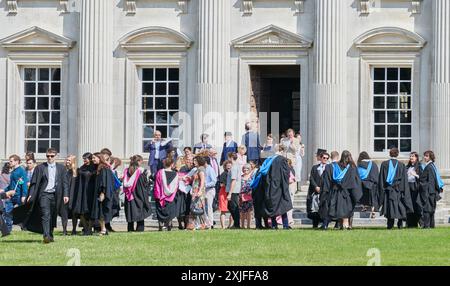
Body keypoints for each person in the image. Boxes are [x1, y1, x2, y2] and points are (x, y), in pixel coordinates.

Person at [24, 148, 69, 243]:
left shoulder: (61, 168)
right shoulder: (40, 168)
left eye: (52, 156)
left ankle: (50, 234)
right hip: (44, 194)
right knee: (46, 215)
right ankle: (46, 236)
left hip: (56, 194)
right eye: (48, 156)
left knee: (53, 215)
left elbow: (65, 183)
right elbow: (34, 183)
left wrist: (66, 194)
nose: (49, 158)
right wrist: (31, 194)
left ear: (56, 156)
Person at [320, 150, 362, 230]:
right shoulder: (352, 168)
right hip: (347, 194)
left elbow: (326, 182)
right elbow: (355, 182)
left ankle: (329, 225)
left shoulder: (332, 167)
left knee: (335, 209)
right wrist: (356, 195)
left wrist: (325, 193)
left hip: (335, 192)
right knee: (346, 211)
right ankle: (345, 226)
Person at [251, 152, 293, 230]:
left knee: (272, 208)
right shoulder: (281, 161)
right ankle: (285, 225)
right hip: (279, 189)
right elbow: (286, 174)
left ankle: (274, 225)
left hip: (270, 190)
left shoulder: (264, 168)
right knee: (282, 209)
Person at [378, 148, 414, 229]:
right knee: (399, 206)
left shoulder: (384, 164)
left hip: (389, 190)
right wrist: (404, 191)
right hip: (398, 190)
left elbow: (381, 179)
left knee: (390, 207)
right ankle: (400, 223)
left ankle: (390, 224)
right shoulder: (401, 165)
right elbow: (404, 180)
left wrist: (382, 190)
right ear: (397, 154)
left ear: (390, 154)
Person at [123, 155, 152, 232]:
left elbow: (126, 184)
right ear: (138, 162)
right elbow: (144, 185)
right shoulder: (141, 172)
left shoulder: (126, 171)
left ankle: (130, 229)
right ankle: (140, 228)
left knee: (130, 211)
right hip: (139, 195)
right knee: (140, 211)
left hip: (129, 195)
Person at [71, 152, 96, 235]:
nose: (84, 160)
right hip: (82, 192)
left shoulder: (94, 168)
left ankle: (89, 229)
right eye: (83, 158)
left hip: (90, 192)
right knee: (81, 211)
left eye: (86, 158)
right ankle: (86, 229)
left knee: (90, 211)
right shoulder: (82, 168)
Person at [418, 151, 444, 229]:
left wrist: (426, 190)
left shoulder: (429, 167)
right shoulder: (432, 166)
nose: (424, 157)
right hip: (431, 191)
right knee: (431, 209)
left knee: (427, 209)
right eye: (424, 156)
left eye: (426, 156)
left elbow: (430, 181)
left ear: (430, 157)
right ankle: (431, 225)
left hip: (429, 192)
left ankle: (427, 226)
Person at [91, 152, 115, 236]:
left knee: (101, 211)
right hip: (99, 192)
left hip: (102, 193)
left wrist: (103, 192)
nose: (93, 159)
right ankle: (103, 229)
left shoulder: (103, 168)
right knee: (100, 211)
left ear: (99, 158)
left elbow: (104, 182)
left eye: (94, 158)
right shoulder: (99, 167)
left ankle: (104, 229)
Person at [3, 155, 28, 234]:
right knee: (7, 212)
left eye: (11, 161)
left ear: (17, 161)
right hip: (12, 195)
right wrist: (4, 190)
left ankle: (24, 227)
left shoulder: (21, 171)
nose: (9, 162)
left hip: (19, 196)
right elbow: (11, 185)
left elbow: (24, 184)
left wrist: (24, 195)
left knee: (20, 213)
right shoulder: (13, 171)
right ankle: (8, 230)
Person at [154, 158, 179, 231]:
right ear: (172, 164)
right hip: (171, 197)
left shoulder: (159, 172)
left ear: (164, 164)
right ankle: (169, 225)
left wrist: (158, 195)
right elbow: (176, 186)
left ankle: (160, 225)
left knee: (160, 211)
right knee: (170, 211)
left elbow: (157, 184)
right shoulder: (175, 174)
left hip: (160, 195)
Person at [187, 156, 210, 230]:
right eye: (194, 161)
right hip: (195, 190)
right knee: (195, 207)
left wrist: (200, 191)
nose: (194, 162)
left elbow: (202, 180)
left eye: (196, 161)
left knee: (198, 207)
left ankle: (202, 224)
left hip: (198, 191)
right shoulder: (197, 169)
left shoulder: (201, 169)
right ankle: (196, 224)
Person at [307, 149, 327, 228]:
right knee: (315, 208)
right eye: (324, 158)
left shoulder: (329, 167)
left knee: (323, 208)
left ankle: (324, 223)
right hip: (315, 191)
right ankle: (315, 224)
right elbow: (311, 178)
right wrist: (316, 187)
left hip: (324, 191)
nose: (325, 159)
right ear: (321, 158)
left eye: (326, 158)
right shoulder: (315, 168)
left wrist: (323, 188)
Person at [357, 152, 379, 219]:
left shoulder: (360, 164)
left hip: (362, 183)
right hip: (372, 183)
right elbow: (376, 174)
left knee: (363, 197)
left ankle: (364, 208)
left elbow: (358, 175)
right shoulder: (373, 164)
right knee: (372, 197)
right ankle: (373, 211)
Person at [177, 155, 196, 229]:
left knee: (188, 208)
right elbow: (179, 177)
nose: (190, 162)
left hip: (191, 190)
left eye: (191, 160)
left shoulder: (194, 169)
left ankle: (187, 224)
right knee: (182, 208)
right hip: (183, 190)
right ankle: (180, 223)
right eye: (188, 160)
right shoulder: (182, 168)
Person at [61, 155, 77, 235]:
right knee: (64, 212)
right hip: (64, 194)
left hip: (73, 193)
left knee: (74, 213)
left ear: (73, 162)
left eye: (69, 160)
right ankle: (64, 230)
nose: (67, 162)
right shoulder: (63, 170)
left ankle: (74, 230)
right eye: (67, 160)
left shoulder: (75, 171)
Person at [406, 152, 422, 228]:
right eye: (410, 156)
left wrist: (415, 175)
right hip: (408, 187)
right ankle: (410, 223)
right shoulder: (407, 167)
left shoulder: (419, 166)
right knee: (409, 205)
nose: (411, 158)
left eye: (413, 156)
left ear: (416, 158)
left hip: (415, 187)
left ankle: (419, 222)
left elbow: (422, 177)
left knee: (416, 205)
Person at [226, 152, 242, 229]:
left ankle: (237, 224)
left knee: (234, 207)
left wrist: (230, 193)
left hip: (234, 190)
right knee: (230, 206)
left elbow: (234, 180)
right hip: (233, 190)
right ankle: (236, 223)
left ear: (231, 157)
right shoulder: (236, 166)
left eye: (228, 157)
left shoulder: (234, 167)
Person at [107, 156, 122, 232]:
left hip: (114, 194)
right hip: (109, 193)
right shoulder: (108, 170)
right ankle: (106, 226)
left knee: (113, 210)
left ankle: (108, 225)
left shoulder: (114, 171)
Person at [204, 154, 218, 229]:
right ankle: (206, 222)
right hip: (205, 190)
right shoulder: (204, 169)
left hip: (210, 190)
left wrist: (205, 185)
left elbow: (214, 181)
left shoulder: (210, 169)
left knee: (209, 207)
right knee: (205, 208)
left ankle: (210, 223)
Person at [218, 160, 233, 229]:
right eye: (227, 165)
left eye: (230, 165)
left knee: (232, 210)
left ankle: (230, 225)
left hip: (232, 192)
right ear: (225, 166)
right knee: (223, 210)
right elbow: (221, 184)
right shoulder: (223, 174)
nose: (229, 166)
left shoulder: (233, 174)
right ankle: (223, 226)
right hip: (223, 193)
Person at [239, 164, 254, 229]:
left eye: (247, 169)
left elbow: (254, 185)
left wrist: (252, 191)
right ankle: (242, 225)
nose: (245, 170)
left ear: (250, 169)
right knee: (242, 211)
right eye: (244, 168)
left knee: (249, 211)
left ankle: (248, 225)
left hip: (249, 196)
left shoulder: (252, 177)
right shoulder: (240, 177)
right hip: (241, 195)